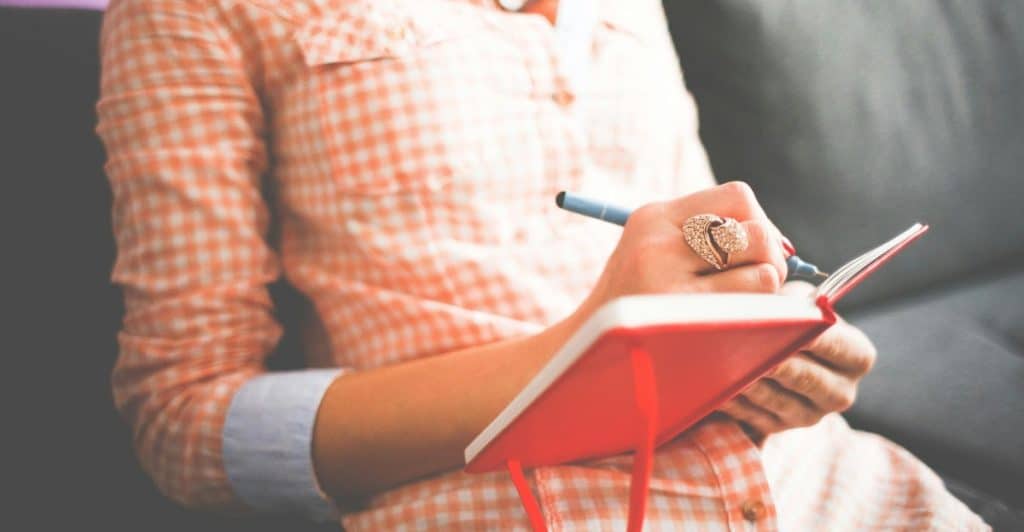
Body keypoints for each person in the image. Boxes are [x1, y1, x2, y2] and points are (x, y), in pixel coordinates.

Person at [97, 0, 987, 529]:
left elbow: (701, 245)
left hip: (833, 489)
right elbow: (183, 420)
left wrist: (772, 345)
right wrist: (584, 353)